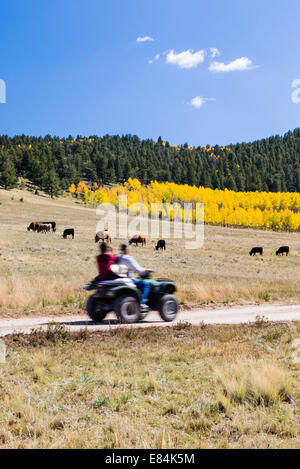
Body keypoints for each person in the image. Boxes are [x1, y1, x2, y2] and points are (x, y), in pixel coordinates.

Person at [118, 243, 151, 310]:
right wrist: (146, 270)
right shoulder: (128, 258)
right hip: (128, 279)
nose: (129, 250)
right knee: (146, 284)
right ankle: (142, 302)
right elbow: (138, 269)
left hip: (118, 278)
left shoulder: (118, 257)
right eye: (128, 248)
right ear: (126, 249)